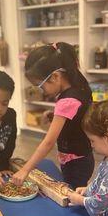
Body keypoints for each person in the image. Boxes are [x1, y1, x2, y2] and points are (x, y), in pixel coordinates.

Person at [11, 42, 94, 190]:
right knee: (76, 191)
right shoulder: (80, 83)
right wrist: (55, 116)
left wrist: (25, 170)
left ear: (55, 76)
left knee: (72, 197)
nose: (42, 91)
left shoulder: (66, 101)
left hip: (75, 163)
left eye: (41, 86)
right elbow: (78, 113)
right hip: (84, 158)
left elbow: (48, 142)